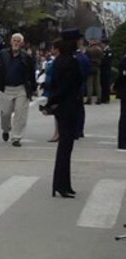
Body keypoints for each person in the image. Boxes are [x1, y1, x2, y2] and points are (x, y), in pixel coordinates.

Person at [46, 39, 84, 198]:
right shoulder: (71, 63)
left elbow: (54, 85)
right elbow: (71, 84)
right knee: (65, 147)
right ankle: (61, 184)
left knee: (64, 146)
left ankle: (61, 183)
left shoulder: (58, 62)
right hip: (70, 105)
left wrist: (51, 102)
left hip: (61, 107)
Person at [0, 33, 36, 148]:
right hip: (6, 88)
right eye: (14, 40)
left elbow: (31, 74)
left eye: (18, 41)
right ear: (11, 42)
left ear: (22, 43)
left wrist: (34, 88)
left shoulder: (26, 57)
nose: (16, 43)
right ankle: (6, 129)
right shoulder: (3, 54)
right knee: (5, 113)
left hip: (21, 88)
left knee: (20, 113)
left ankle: (16, 137)